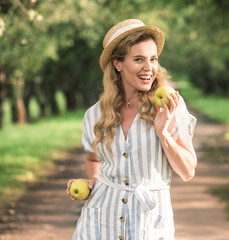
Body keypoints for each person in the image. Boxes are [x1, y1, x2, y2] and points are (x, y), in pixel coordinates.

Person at [66, 19, 197, 240]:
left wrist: (163, 133)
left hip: (149, 225)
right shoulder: (95, 114)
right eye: (139, 59)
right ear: (118, 64)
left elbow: (187, 171)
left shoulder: (168, 105)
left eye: (153, 59)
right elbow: (93, 160)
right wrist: (94, 182)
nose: (149, 68)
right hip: (99, 223)